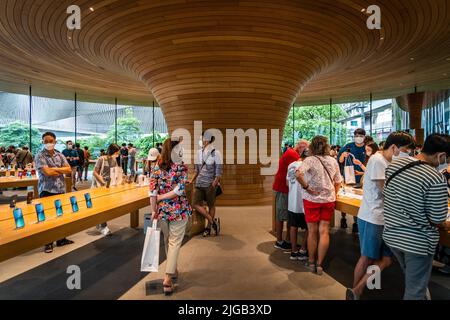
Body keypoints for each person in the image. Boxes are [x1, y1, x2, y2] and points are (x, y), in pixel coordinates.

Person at [346, 132, 414, 300]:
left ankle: (361, 288)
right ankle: (356, 291)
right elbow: (385, 190)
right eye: (404, 150)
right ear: (393, 147)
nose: (405, 153)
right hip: (373, 216)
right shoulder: (377, 160)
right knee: (367, 257)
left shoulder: (387, 161)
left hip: (384, 217)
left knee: (386, 259)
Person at [383, 133, 450, 300]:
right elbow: (438, 218)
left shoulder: (394, 165)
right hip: (417, 242)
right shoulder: (435, 177)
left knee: (413, 279)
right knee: (415, 292)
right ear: (440, 155)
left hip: (392, 235)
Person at [149, 138, 192, 295]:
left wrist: (154, 209)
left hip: (162, 211)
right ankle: (168, 278)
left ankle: (172, 270)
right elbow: (179, 191)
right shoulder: (181, 167)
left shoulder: (156, 168)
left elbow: (152, 193)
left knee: (168, 241)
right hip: (179, 210)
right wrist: (162, 197)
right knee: (174, 242)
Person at [296, 136, 342, 275]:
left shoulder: (310, 160)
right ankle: (320, 264)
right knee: (324, 231)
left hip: (312, 199)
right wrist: (334, 192)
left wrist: (307, 187)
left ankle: (311, 262)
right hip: (328, 200)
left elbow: (298, 174)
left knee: (312, 231)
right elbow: (338, 181)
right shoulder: (333, 161)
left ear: (312, 147)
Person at [35, 132, 74, 253]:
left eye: (50, 141)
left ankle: (61, 239)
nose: (48, 143)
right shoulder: (40, 156)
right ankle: (48, 242)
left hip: (60, 189)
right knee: (47, 217)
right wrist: (58, 170)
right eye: (46, 141)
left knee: (60, 215)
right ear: (42, 142)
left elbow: (68, 170)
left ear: (55, 141)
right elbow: (48, 173)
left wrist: (54, 169)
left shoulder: (60, 155)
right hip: (46, 190)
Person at [272, 139, 309, 250]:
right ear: (301, 147)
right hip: (283, 188)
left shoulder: (291, 153)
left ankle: (287, 240)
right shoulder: (294, 156)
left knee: (286, 215)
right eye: (306, 149)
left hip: (286, 187)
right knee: (281, 215)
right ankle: (279, 241)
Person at [190, 132, 223, 237]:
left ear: (207, 139)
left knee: (211, 205)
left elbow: (219, 169)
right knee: (195, 203)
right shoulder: (198, 153)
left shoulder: (216, 153)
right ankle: (213, 222)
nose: (201, 140)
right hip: (199, 183)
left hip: (210, 184)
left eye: (202, 138)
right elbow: (196, 170)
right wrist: (191, 181)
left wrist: (215, 181)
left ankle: (208, 228)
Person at [337, 128, 367, 232]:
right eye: (357, 136)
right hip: (349, 176)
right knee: (345, 198)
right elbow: (340, 161)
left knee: (358, 201)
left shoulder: (367, 148)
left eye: (361, 136)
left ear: (364, 137)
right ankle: (343, 218)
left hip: (362, 177)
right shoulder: (348, 146)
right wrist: (343, 155)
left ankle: (356, 222)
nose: (359, 138)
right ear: (354, 136)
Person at [92, 144, 121, 236]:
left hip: (110, 185)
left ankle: (100, 224)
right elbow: (95, 172)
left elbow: (116, 171)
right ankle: (103, 226)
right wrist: (102, 182)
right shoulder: (101, 159)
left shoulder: (114, 159)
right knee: (101, 206)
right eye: (116, 152)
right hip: (100, 185)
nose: (117, 154)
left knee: (106, 206)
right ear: (112, 151)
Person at [287, 146, 309, 261]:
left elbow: (288, 183)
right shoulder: (306, 166)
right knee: (309, 227)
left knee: (293, 226)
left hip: (292, 201)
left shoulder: (291, 165)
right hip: (304, 202)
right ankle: (303, 249)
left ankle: (293, 250)